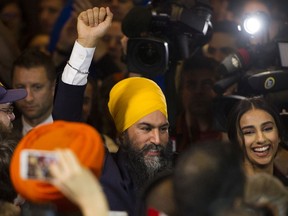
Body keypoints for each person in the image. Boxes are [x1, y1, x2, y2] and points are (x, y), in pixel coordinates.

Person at [52, 7, 174, 215]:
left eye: (163, 129)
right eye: (145, 128)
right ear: (122, 135)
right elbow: (66, 120)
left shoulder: (182, 177)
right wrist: (86, 44)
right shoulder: (104, 171)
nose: (156, 138)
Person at [226, 96, 288, 185]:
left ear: (279, 135)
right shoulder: (227, 193)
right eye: (249, 132)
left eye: (267, 129)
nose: (261, 139)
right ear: (235, 141)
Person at [11, 48, 56, 137]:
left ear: (53, 87)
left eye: (37, 87)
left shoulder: (74, 134)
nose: (28, 98)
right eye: (20, 88)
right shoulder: (5, 134)